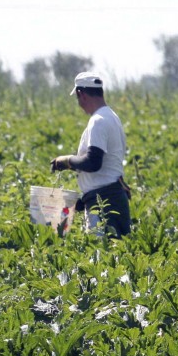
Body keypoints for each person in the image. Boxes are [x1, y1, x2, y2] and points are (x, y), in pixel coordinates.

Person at [51, 72, 131, 237]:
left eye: (77, 98)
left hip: (104, 203)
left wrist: (66, 161)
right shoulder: (112, 117)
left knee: (101, 257)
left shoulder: (98, 121)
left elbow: (93, 162)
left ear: (81, 94)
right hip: (112, 197)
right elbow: (106, 168)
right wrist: (82, 202)